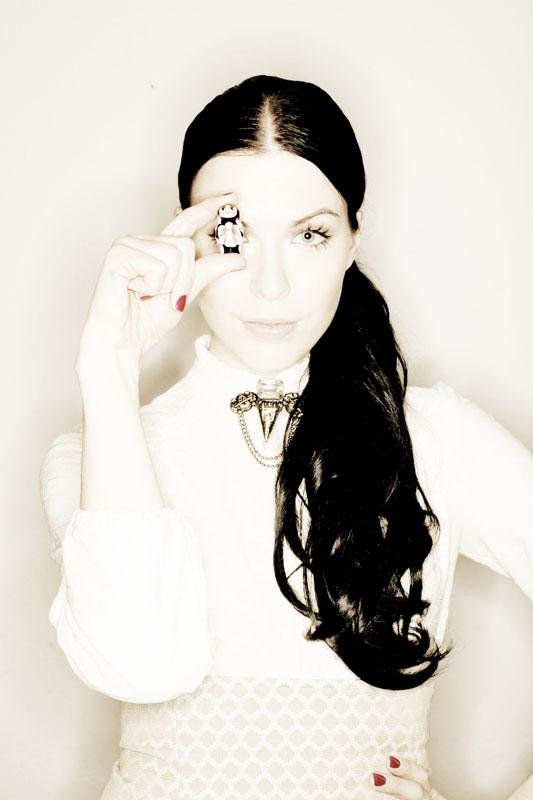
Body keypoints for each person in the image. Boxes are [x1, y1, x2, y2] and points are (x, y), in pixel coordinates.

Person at [39, 74, 533, 800]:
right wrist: (107, 364)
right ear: (185, 237)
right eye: (233, 232)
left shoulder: (436, 437)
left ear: (352, 239)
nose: (270, 286)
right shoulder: (99, 452)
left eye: (310, 234)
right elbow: (142, 667)